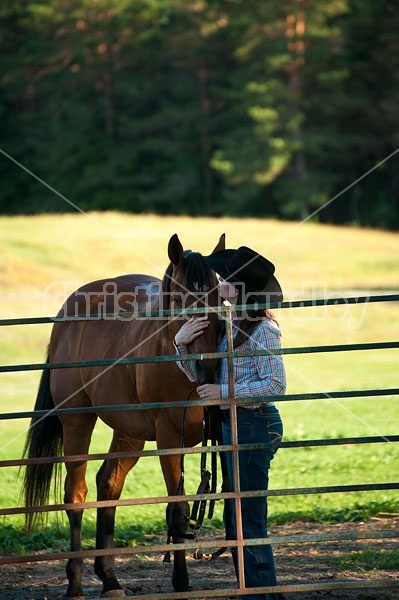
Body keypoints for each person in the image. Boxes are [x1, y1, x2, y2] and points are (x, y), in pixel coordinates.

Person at [174, 246, 286, 600]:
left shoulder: (263, 330)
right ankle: (254, 591)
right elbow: (200, 380)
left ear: (240, 290)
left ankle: (263, 595)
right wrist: (181, 343)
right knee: (235, 519)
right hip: (232, 423)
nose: (219, 285)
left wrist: (224, 392)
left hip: (254, 422)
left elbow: (276, 385)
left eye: (226, 282)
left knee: (249, 518)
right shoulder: (230, 326)